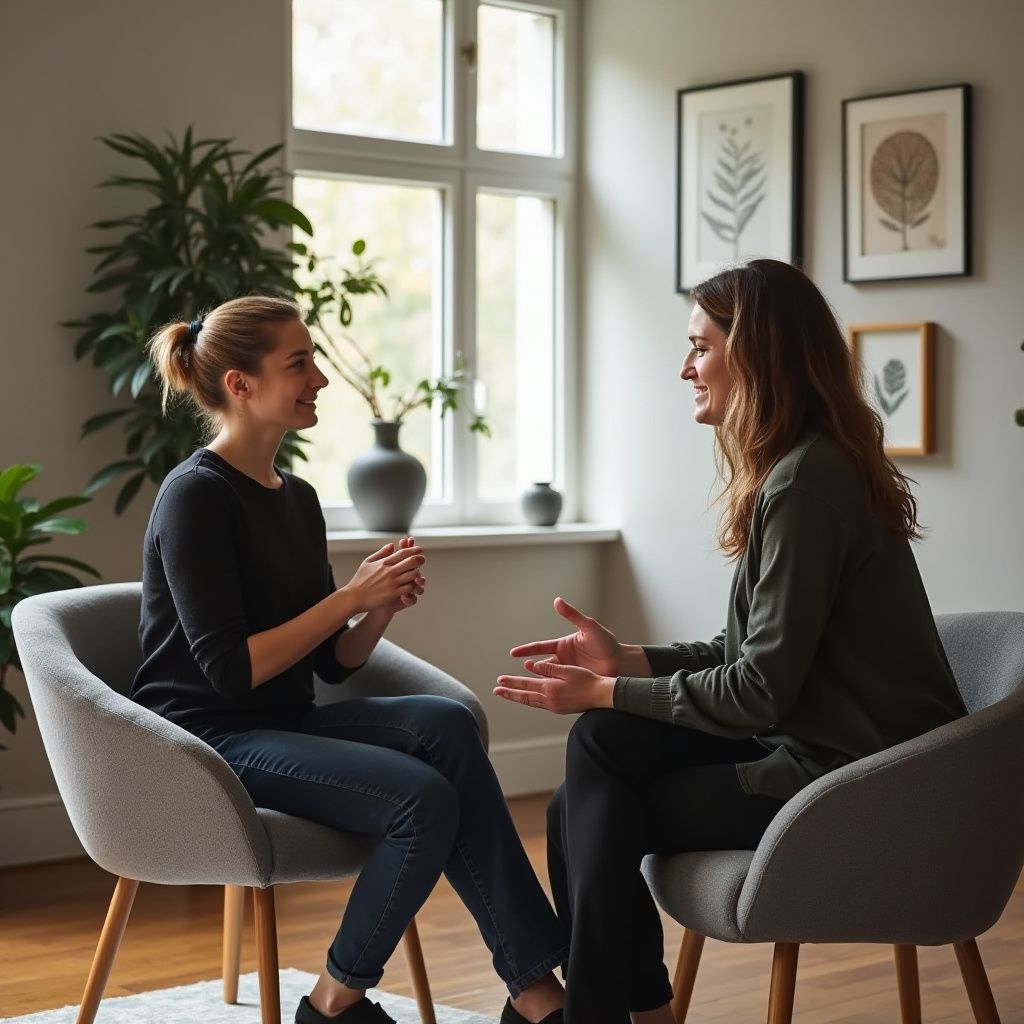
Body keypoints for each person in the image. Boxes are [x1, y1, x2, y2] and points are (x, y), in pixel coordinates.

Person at [494, 259, 968, 1024]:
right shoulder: (802, 469)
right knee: (592, 765)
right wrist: (628, 663)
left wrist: (607, 690)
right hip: (819, 748)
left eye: (700, 346)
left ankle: (606, 1014)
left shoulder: (808, 485)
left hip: (858, 782)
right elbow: (747, 653)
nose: (686, 368)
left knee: (589, 785)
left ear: (756, 354)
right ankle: (627, 1014)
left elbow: (757, 692)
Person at [130, 296, 568, 1024]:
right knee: (419, 799)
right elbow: (230, 672)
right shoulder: (194, 497)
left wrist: (379, 606)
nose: (320, 379)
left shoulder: (296, 498)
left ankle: (532, 989)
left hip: (286, 720)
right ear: (240, 385)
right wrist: (348, 598)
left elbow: (332, 665)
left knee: (449, 722)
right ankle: (335, 1001)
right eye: (298, 363)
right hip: (204, 739)